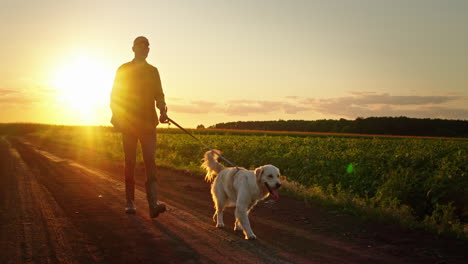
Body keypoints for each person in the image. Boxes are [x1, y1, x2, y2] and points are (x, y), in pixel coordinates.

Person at [110, 36, 168, 217]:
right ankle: (130, 202)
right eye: (141, 46)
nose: (145, 49)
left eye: (147, 46)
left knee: (150, 161)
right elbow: (115, 95)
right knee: (130, 162)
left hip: (148, 123)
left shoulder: (153, 71)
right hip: (129, 123)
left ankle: (153, 203)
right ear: (133, 48)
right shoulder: (123, 69)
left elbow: (159, 94)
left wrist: (162, 110)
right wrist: (117, 115)